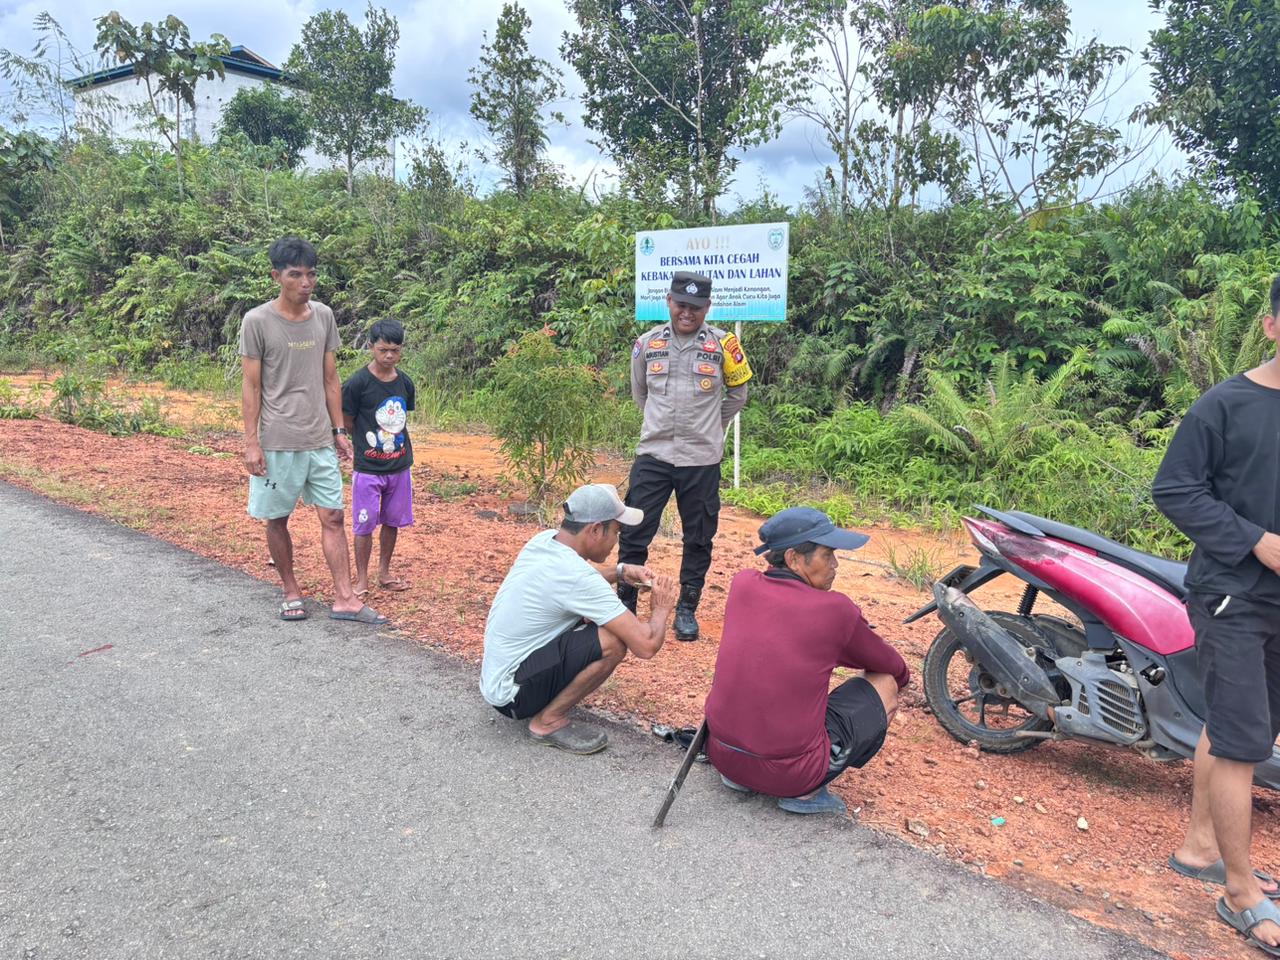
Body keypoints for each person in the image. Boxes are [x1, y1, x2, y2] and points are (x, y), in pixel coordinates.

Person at [1153, 275, 1280, 956]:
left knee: (1241, 726)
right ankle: (1241, 892)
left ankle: (1202, 847)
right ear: (1270, 326)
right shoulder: (1223, 407)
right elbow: (1173, 488)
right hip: (1233, 595)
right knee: (1241, 741)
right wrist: (1255, 541)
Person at [703, 507, 909, 815]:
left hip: (723, 756)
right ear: (793, 559)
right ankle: (806, 794)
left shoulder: (742, 583)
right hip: (793, 776)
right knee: (885, 684)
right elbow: (895, 668)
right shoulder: (835, 610)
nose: (835, 565)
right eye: (827, 555)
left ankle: (742, 778)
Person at [239, 236, 385, 625]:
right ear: (277, 276)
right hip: (277, 441)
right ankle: (290, 590)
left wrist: (339, 429)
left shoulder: (323, 316)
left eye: (311, 274)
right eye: (295, 275)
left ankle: (345, 598)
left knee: (334, 517)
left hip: (319, 437)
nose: (306, 282)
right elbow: (251, 386)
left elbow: (331, 378)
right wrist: (252, 442)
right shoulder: (257, 322)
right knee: (277, 519)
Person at [480, 483, 679, 755]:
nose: (616, 542)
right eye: (616, 532)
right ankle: (547, 722)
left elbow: (574, 585)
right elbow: (645, 645)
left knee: (589, 620)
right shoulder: (576, 577)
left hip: (498, 679)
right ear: (596, 529)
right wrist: (661, 607)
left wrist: (620, 572)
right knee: (613, 640)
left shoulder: (544, 541)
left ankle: (544, 702)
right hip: (512, 696)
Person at [617, 271, 752, 641]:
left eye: (695, 307)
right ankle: (625, 602)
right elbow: (640, 394)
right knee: (634, 531)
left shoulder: (726, 346)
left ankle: (687, 609)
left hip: (701, 460)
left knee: (698, 537)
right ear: (669, 302)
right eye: (681, 305)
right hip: (654, 455)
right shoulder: (646, 344)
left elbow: (739, 395)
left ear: (707, 307)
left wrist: (709, 427)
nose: (687, 313)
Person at [341, 318, 416, 596]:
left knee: (392, 521)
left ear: (401, 350)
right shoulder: (357, 383)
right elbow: (347, 420)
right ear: (371, 347)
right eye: (383, 349)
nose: (389, 356)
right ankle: (361, 579)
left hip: (399, 465)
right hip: (368, 467)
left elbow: (402, 417)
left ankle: (384, 572)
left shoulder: (405, 383)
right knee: (364, 523)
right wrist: (362, 444)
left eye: (395, 350)